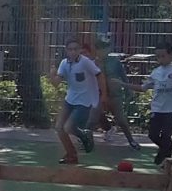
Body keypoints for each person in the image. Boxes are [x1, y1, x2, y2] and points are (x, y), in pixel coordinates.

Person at [122, 43, 172, 166]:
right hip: (158, 108)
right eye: (158, 56)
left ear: (170, 55)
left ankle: (165, 159)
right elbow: (143, 88)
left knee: (166, 134)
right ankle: (165, 150)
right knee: (153, 134)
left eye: (163, 56)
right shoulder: (155, 72)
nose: (160, 59)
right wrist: (123, 84)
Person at [54, 36, 102, 164]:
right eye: (70, 49)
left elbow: (99, 74)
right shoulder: (64, 63)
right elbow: (56, 83)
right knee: (59, 127)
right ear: (66, 50)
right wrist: (51, 76)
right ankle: (71, 155)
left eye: (75, 49)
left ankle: (84, 135)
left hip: (85, 100)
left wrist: (104, 95)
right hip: (70, 99)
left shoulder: (85, 62)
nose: (73, 52)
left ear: (80, 49)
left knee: (68, 127)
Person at [95, 38, 141, 150]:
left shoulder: (115, 62)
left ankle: (131, 140)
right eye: (99, 49)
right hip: (99, 94)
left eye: (104, 48)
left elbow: (123, 75)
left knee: (120, 119)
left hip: (115, 94)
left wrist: (128, 90)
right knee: (95, 115)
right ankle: (107, 129)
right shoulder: (94, 62)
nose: (102, 51)